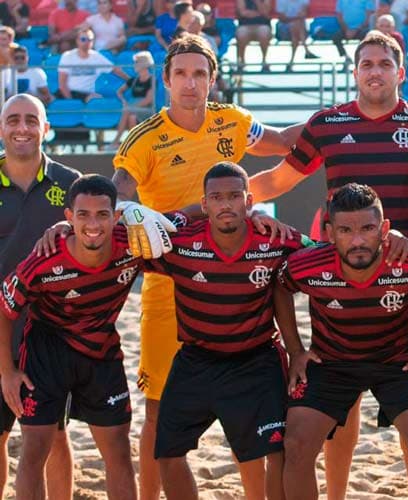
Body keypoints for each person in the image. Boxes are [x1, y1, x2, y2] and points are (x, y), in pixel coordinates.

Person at [61, 34, 301, 500]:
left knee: (250, 421)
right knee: (157, 412)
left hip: (234, 286)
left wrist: (340, 118)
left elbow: (286, 143)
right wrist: (116, 213)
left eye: (200, 74)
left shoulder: (233, 122)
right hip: (169, 287)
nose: (191, 83)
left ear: (212, 79)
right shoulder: (145, 137)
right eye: (181, 74)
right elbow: (116, 193)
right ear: (167, 80)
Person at [246, 31, 408, 499]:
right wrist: (236, 204)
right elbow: (279, 180)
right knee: (340, 408)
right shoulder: (327, 123)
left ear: (401, 72)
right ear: (355, 72)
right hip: (343, 272)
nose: (375, 72)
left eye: (384, 64)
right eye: (367, 64)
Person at [278, 183, 408, 500]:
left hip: (398, 363)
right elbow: (279, 287)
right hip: (331, 364)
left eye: (368, 229)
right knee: (296, 444)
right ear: (330, 233)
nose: (357, 241)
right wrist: (296, 350)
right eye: (345, 230)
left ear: (384, 229)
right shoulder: (306, 264)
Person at [142, 163, 303, 500]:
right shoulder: (179, 244)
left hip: (256, 361)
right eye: (216, 198)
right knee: (167, 453)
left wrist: (393, 238)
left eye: (234, 196)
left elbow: (327, 254)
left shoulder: (275, 240)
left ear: (249, 201)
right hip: (196, 360)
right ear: (204, 204)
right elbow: (110, 241)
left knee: (277, 452)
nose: (226, 204)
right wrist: (64, 227)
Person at [1, 174, 139, 500]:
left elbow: (184, 227)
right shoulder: (44, 259)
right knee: (35, 448)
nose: (93, 224)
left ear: (116, 217)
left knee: (119, 451)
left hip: (101, 351)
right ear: (69, 217)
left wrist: (254, 216)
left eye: (102, 214)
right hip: (46, 354)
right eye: (83, 215)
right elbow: (3, 310)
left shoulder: (134, 245)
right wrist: (7, 371)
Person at [0, 94, 79, 500]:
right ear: (1, 129)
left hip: (50, 331)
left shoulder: (71, 183)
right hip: (0, 326)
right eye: (13, 119)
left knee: (54, 434)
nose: (22, 128)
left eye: (31, 120)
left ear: (46, 128)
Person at [57, 28, 129, 102]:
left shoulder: (97, 57)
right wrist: (71, 102)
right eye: (83, 39)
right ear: (77, 41)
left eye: (90, 39)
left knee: (98, 100)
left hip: (87, 94)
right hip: (70, 92)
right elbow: (62, 84)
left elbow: (115, 70)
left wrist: (130, 80)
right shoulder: (67, 56)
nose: (87, 42)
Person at [110, 51, 155, 149]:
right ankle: (134, 145)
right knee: (132, 117)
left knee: (127, 111)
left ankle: (116, 141)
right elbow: (119, 92)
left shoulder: (152, 80)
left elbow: (148, 100)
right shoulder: (133, 80)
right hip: (133, 110)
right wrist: (124, 101)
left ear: (144, 64)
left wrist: (131, 107)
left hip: (146, 109)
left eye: (136, 62)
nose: (134, 65)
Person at [276, 0, 318, 71]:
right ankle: (306, 51)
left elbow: (303, 14)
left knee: (296, 27)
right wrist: (296, 18)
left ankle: (292, 61)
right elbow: (282, 18)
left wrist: (297, 18)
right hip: (284, 28)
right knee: (296, 25)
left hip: (300, 28)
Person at [235, 0, 272, 71]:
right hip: (245, 25)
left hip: (262, 25)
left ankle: (264, 60)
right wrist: (258, 13)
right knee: (241, 33)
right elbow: (243, 12)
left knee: (264, 32)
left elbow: (265, 12)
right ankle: (242, 61)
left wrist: (257, 2)